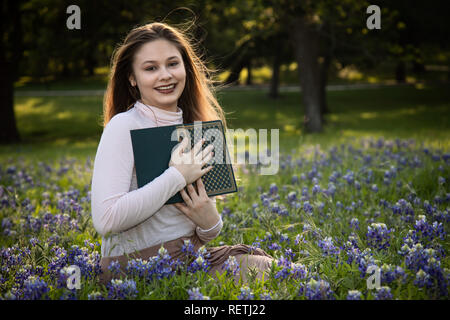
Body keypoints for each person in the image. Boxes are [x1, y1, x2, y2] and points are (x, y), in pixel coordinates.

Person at [90, 22, 274, 286]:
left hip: (189, 257)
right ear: (132, 77)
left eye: (172, 64)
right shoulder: (124, 125)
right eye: (151, 68)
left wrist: (211, 223)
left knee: (278, 272)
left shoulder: (198, 127)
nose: (165, 75)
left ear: (186, 68)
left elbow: (197, 229)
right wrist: (176, 176)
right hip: (136, 268)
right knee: (271, 276)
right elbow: (106, 220)